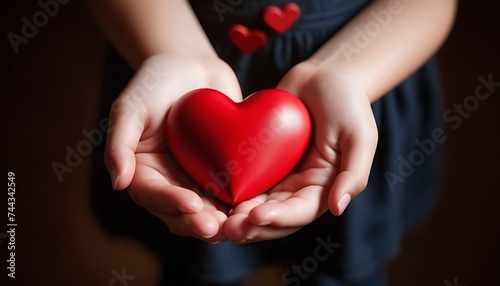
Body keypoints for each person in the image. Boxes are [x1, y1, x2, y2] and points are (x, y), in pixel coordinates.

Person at [86, 0, 457, 285]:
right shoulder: (182, 106)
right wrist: (171, 52)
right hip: (175, 91)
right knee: (195, 254)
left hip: (367, 68)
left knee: (344, 263)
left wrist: (349, 74)